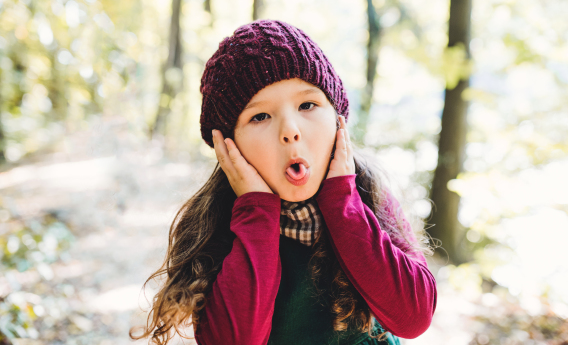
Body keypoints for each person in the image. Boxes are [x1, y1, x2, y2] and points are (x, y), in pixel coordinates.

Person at [130, 19, 437, 345]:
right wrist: (256, 213)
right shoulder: (218, 222)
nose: (290, 130)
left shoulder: (366, 192)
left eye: (308, 105)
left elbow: (415, 318)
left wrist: (341, 203)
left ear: (337, 119)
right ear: (228, 148)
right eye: (260, 116)